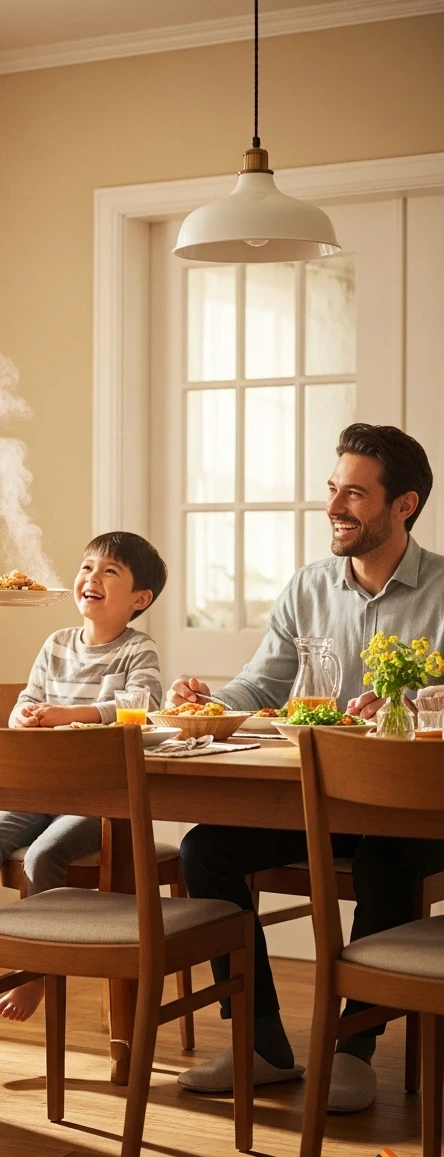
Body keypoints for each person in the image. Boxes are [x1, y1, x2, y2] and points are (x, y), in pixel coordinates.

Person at [169, 424, 444, 1111]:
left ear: (402, 505)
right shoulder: (308, 586)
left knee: (386, 857)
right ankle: (261, 1046)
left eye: (355, 492)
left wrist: (418, 703)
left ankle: (354, 1050)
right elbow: (262, 685)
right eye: (333, 489)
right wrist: (208, 699)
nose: (334, 506)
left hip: (415, 812)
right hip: (318, 801)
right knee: (207, 848)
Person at [0, 531, 167, 1021]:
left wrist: (68, 715)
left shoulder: (137, 651)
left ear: (139, 599)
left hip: (99, 800)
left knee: (43, 856)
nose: (91, 578)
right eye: (87, 567)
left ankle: (36, 975)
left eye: (110, 572)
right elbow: (27, 698)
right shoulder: (56, 643)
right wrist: (21, 715)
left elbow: (143, 709)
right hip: (38, 789)